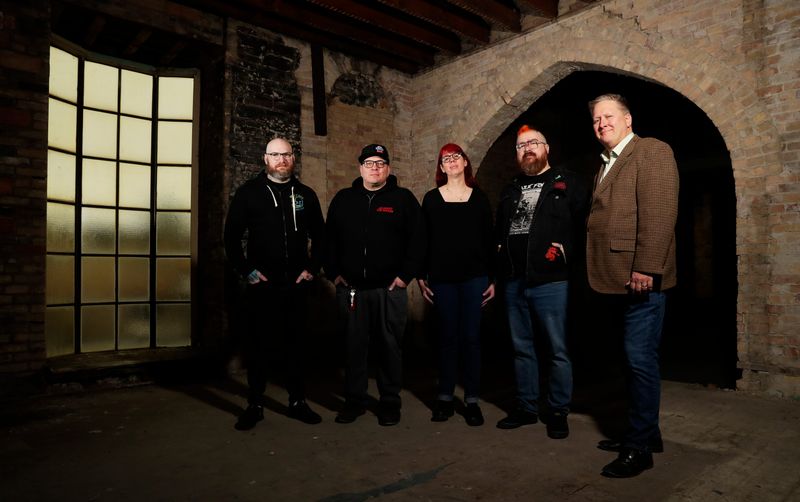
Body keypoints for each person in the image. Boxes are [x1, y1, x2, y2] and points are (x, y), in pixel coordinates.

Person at [586, 94, 679, 478]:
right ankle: (645, 432)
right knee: (631, 360)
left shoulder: (651, 150)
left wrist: (646, 267)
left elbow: (659, 211)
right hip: (614, 277)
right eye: (596, 119)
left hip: (639, 278)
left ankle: (638, 448)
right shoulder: (606, 163)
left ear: (627, 119)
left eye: (608, 116)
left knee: (639, 361)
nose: (602, 123)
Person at [224, 137, 325, 431]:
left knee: (296, 346)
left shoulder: (305, 194)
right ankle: (254, 405)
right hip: (262, 286)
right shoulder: (249, 193)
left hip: (296, 284)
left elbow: (321, 237)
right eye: (275, 154)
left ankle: (297, 402)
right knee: (258, 347)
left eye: (286, 154)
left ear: (293, 158)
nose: (281, 159)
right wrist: (247, 271)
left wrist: (311, 269)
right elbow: (231, 238)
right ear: (265, 159)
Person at [495, 125, 588, 439]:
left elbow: (586, 225)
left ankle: (558, 410)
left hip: (551, 281)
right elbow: (500, 232)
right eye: (521, 146)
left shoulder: (568, 182)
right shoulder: (510, 188)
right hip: (513, 280)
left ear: (547, 148)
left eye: (533, 143)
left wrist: (567, 251)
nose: (527, 149)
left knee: (557, 350)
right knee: (522, 348)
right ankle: (526, 407)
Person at [325, 144, 423, 426]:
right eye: (369, 163)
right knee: (353, 347)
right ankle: (354, 402)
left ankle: (390, 402)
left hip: (389, 290)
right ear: (360, 168)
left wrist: (405, 275)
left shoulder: (403, 199)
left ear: (388, 168)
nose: (375, 167)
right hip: (352, 290)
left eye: (380, 163)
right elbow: (329, 240)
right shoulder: (344, 199)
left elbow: (418, 241)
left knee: (389, 347)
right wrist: (333, 273)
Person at [417, 143, 495, 427]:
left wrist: (492, 279)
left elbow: (489, 241)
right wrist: (420, 276)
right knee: (447, 338)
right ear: (441, 167)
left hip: (474, 279)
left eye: (456, 157)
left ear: (465, 163)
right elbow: (422, 241)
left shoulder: (479, 199)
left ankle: (472, 400)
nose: (451, 161)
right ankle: (445, 397)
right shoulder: (432, 199)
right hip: (443, 279)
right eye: (445, 158)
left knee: (472, 339)